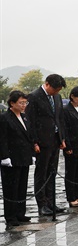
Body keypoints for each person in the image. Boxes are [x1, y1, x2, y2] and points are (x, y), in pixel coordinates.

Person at [26, 74, 67, 216]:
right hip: (42, 141)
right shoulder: (34, 97)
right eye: (55, 89)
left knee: (52, 172)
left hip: (55, 140)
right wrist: (34, 141)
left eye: (59, 90)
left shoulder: (57, 97)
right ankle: (42, 204)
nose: (56, 92)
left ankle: (51, 202)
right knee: (41, 173)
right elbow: (29, 121)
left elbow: (60, 118)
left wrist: (62, 137)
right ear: (47, 84)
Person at [0, 91, 35, 227]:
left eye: (25, 103)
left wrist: (32, 154)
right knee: (11, 188)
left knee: (22, 186)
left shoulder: (25, 117)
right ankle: (11, 215)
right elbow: (2, 139)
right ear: (12, 103)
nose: (23, 105)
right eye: (21, 103)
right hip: (11, 158)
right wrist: (4, 156)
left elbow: (29, 137)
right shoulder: (4, 118)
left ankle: (20, 213)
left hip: (24, 156)